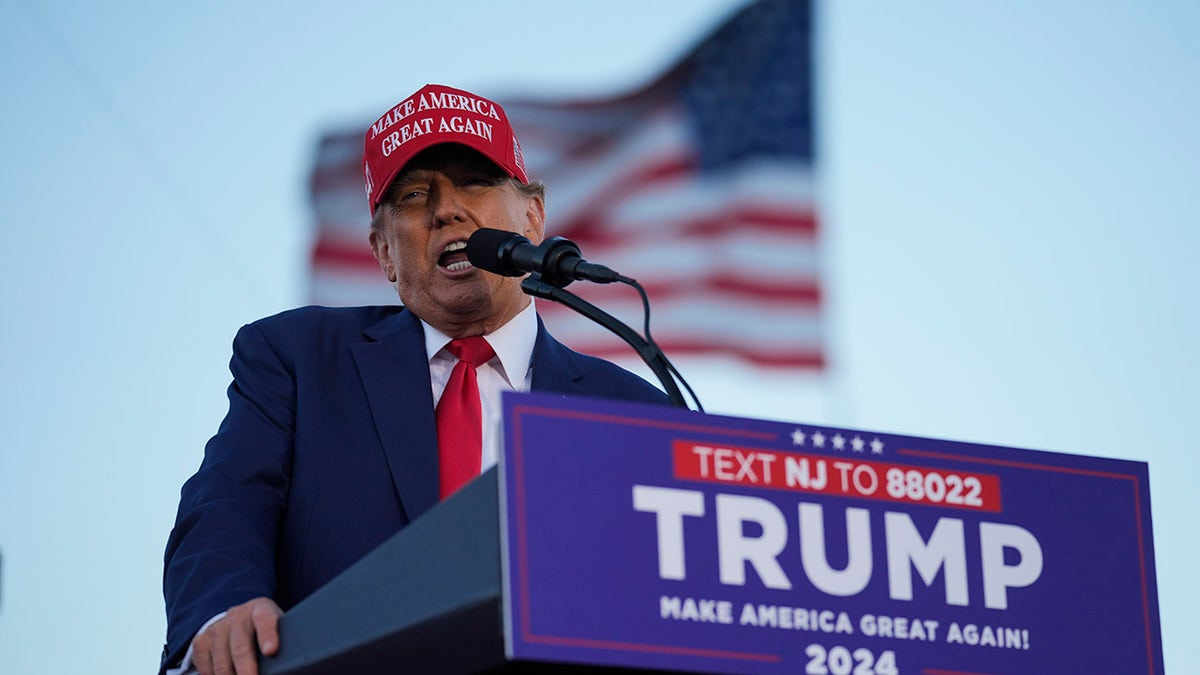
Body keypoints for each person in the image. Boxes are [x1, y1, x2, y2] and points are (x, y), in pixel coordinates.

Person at [160, 83, 669, 675]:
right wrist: (222, 611)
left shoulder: (634, 410)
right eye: (413, 195)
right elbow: (227, 502)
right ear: (383, 254)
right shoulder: (298, 360)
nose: (446, 210)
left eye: (475, 182)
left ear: (532, 217)